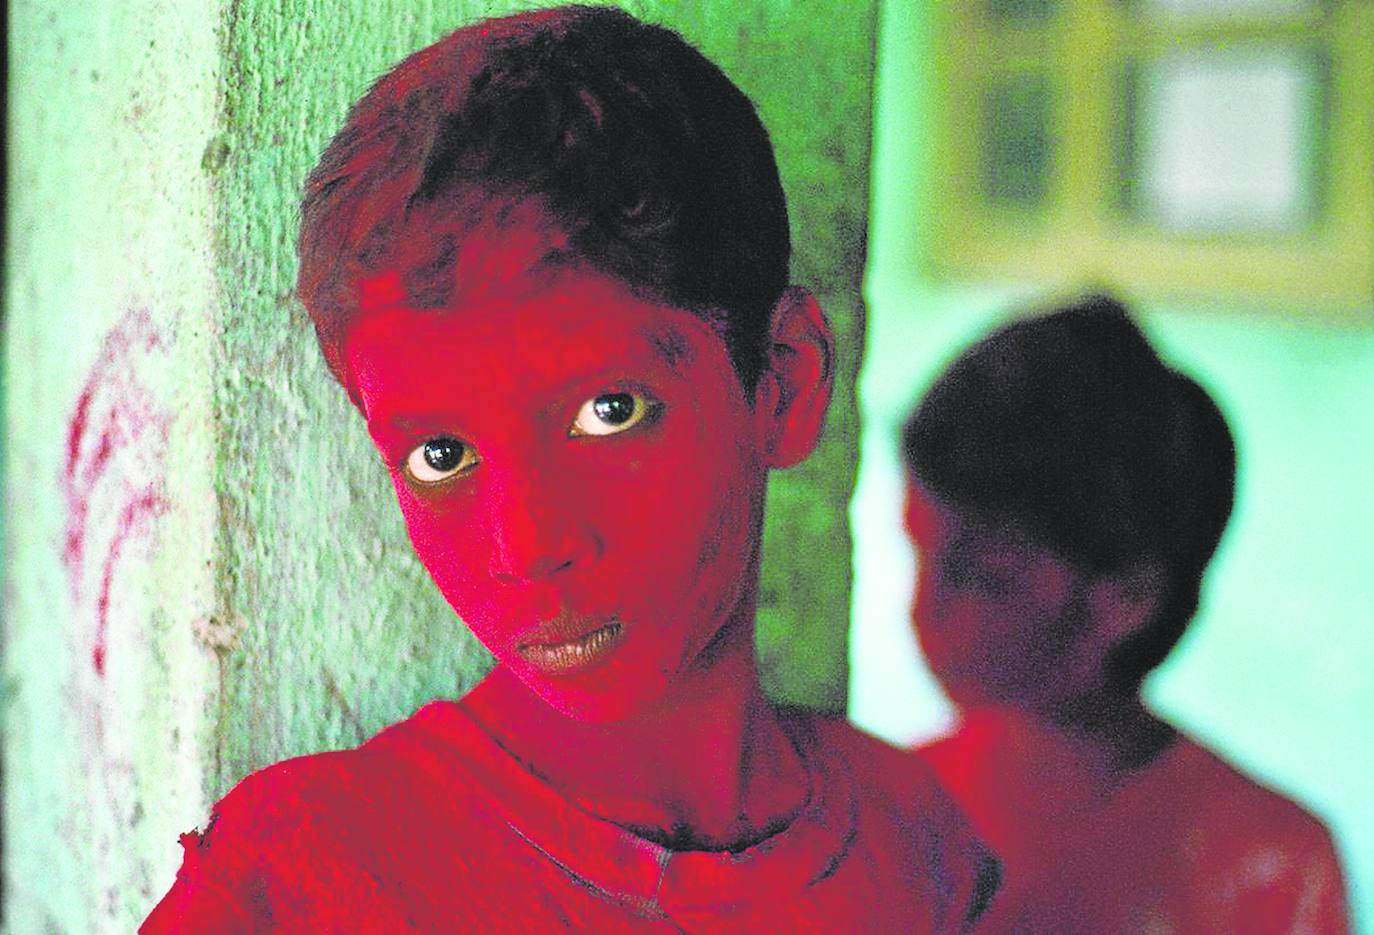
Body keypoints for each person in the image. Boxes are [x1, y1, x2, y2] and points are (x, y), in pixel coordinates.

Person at [142, 7, 998, 932]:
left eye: (609, 411)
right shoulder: (300, 882)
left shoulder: (920, 856)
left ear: (782, 382)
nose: (529, 546)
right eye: (442, 455)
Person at [900, 294, 1349, 933]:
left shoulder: (1270, 865)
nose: (925, 607)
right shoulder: (886, 819)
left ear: (1127, 599)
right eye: (919, 552)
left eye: (987, 580)